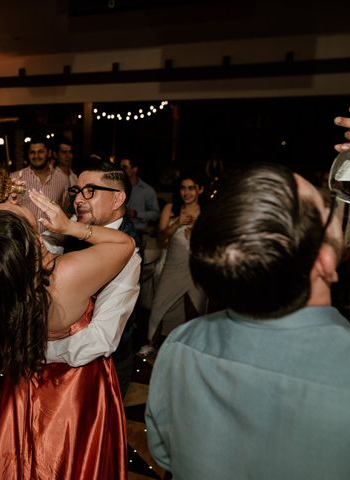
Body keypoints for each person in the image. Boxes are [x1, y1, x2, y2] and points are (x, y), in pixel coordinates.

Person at [146, 162, 350, 479]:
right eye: (327, 203)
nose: (335, 202)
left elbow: (162, 452)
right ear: (324, 262)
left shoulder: (182, 345)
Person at [0, 190, 133, 479]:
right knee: (71, 459)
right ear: (34, 239)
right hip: (76, 386)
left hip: (25, 378)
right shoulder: (67, 273)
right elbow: (125, 243)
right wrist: (70, 227)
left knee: (25, 455)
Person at [45, 162, 141, 398]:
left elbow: (101, 338)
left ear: (118, 200)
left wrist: (39, 349)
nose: (78, 199)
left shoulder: (129, 251)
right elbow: (43, 248)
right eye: (76, 191)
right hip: (60, 362)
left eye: (89, 191)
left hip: (101, 367)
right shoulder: (77, 224)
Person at [138, 173, 207, 357]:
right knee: (159, 306)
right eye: (183, 188)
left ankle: (190, 349)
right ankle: (150, 344)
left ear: (200, 189)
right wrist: (176, 224)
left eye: (191, 188)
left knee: (194, 310)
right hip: (173, 267)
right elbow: (161, 238)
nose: (187, 192)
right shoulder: (171, 208)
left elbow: (214, 244)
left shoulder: (207, 211)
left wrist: (196, 236)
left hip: (195, 269)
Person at [12, 136, 69, 236]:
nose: (36, 156)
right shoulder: (16, 178)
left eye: (41, 151)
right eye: (32, 152)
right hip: (24, 237)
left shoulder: (62, 179)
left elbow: (65, 210)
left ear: (49, 153)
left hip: (52, 242)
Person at [121, 157, 160, 240]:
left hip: (138, 233)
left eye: (124, 167)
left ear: (134, 169)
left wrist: (137, 214)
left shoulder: (147, 190)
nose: (121, 170)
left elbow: (156, 214)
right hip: (118, 232)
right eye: (120, 167)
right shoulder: (117, 188)